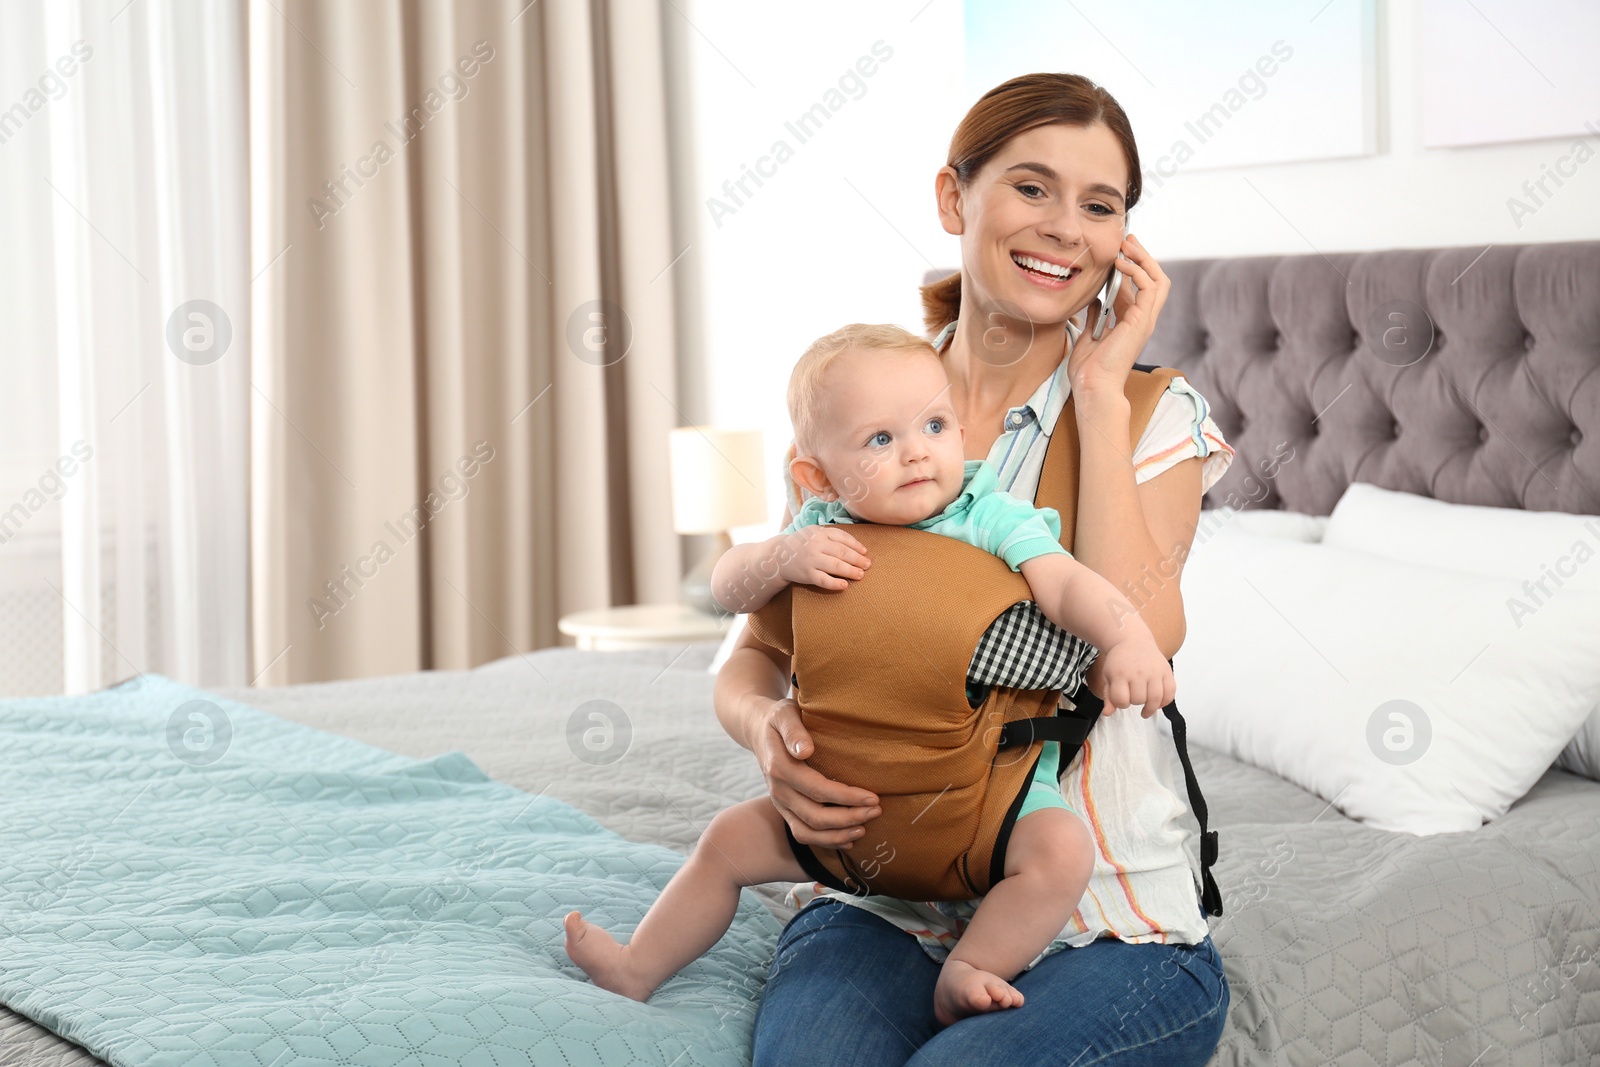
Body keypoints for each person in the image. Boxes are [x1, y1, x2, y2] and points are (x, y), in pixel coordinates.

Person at [715, 73, 1237, 1066]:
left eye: (1100, 204)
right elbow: (754, 656)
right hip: (882, 896)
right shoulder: (859, 407)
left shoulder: (1151, 411)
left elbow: (1137, 635)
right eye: (1031, 188)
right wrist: (767, 735)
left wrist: (1095, 391)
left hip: (1102, 920)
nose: (1062, 228)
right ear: (956, 199)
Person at [563, 323, 1176, 1027]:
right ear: (818, 477)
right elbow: (730, 586)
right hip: (840, 812)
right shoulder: (821, 531)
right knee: (726, 842)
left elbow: (1066, 585)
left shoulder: (986, 515)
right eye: (879, 440)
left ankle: (973, 962)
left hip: (980, 808)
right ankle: (637, 965)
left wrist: (1126, 638)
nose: (916, 450)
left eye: (934, 425)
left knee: (1062, 851)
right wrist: (782, 557)